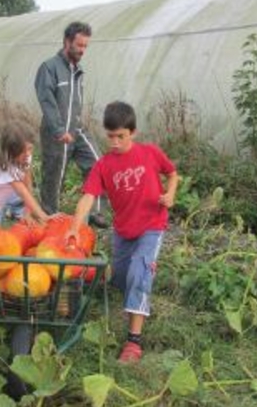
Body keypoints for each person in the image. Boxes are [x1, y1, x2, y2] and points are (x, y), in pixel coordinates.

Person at [65, 101, 178, 363]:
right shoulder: (103, 165)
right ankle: (123, 277)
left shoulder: (149, 153)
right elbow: (88, 197)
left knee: (139, 274)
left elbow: (172, 174)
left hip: (152, 225)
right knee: (121, 279)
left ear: (133, 132)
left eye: (121, 136)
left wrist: (170, 194)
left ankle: (133, 342)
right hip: (124, 230)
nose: (115, 142)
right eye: (110, 136)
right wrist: (74, 227)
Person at [34, 21, 108, 228]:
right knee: (54, 175)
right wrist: (58, 129)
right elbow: (46, 100)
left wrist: (73, 127)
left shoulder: (78, 69)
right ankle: (50, 216)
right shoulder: (49, 68)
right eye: (79, 45)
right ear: (67, 42)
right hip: (55, 132)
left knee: (97, 164)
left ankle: (96, 211)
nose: (83, 50)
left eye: (86, 46)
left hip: (76, 128)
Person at [0, 123, 52, 226]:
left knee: (22, 197)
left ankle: (15, 211)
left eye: (30, 148)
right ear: (11, 151)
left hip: (8, 189)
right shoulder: (5, 168)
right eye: (23, 151)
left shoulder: (25, 156)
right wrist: (43, 216)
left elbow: (27, 183)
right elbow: (23, 192)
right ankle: (8, 211)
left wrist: (27, 212)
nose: (28, 154)